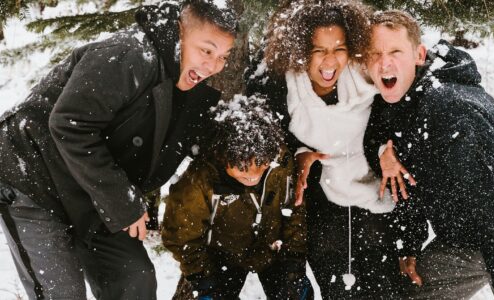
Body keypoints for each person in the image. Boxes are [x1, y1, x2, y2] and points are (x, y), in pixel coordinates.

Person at [0, 1, 238, 299]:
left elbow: (198, 143)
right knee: (61, 293)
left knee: (134, 280)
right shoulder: (130, 53)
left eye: (223, 57)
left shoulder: (184, 81)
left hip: (92, 190)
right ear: (179, 32)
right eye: (206, 50)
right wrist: (124, 205)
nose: (214, 66)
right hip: (34, 177)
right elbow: (68, 124)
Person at [363, 10, 494, 300]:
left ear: (418, 55)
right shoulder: (395, 107)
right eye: (374, 53)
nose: (384, 62)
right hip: (467, 238)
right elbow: (408, 183)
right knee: (408, 292)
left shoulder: (448, 106)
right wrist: (410, 246)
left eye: (395, 51)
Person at [247, 1, 408, 298]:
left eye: (339, 48)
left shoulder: (366, 77)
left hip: (376, 197)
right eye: (318, 50)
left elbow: (401, 101)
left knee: (383, 288)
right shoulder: (283, 89)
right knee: (337, 288)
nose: (330, 61)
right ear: (300, 51)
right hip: (321, 205)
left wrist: (387, 147)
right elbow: (269, 137)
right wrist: (300, 153)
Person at [162, 95, 312, 300]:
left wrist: (294, 263)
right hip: (219, 258)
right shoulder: (200, 179)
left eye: (262, 166)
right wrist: (203, 280)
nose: (254, 175)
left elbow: (294, 210)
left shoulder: (281, 161)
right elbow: (181, 236)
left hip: (272, 251)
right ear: (223, 155)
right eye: (243, 171)